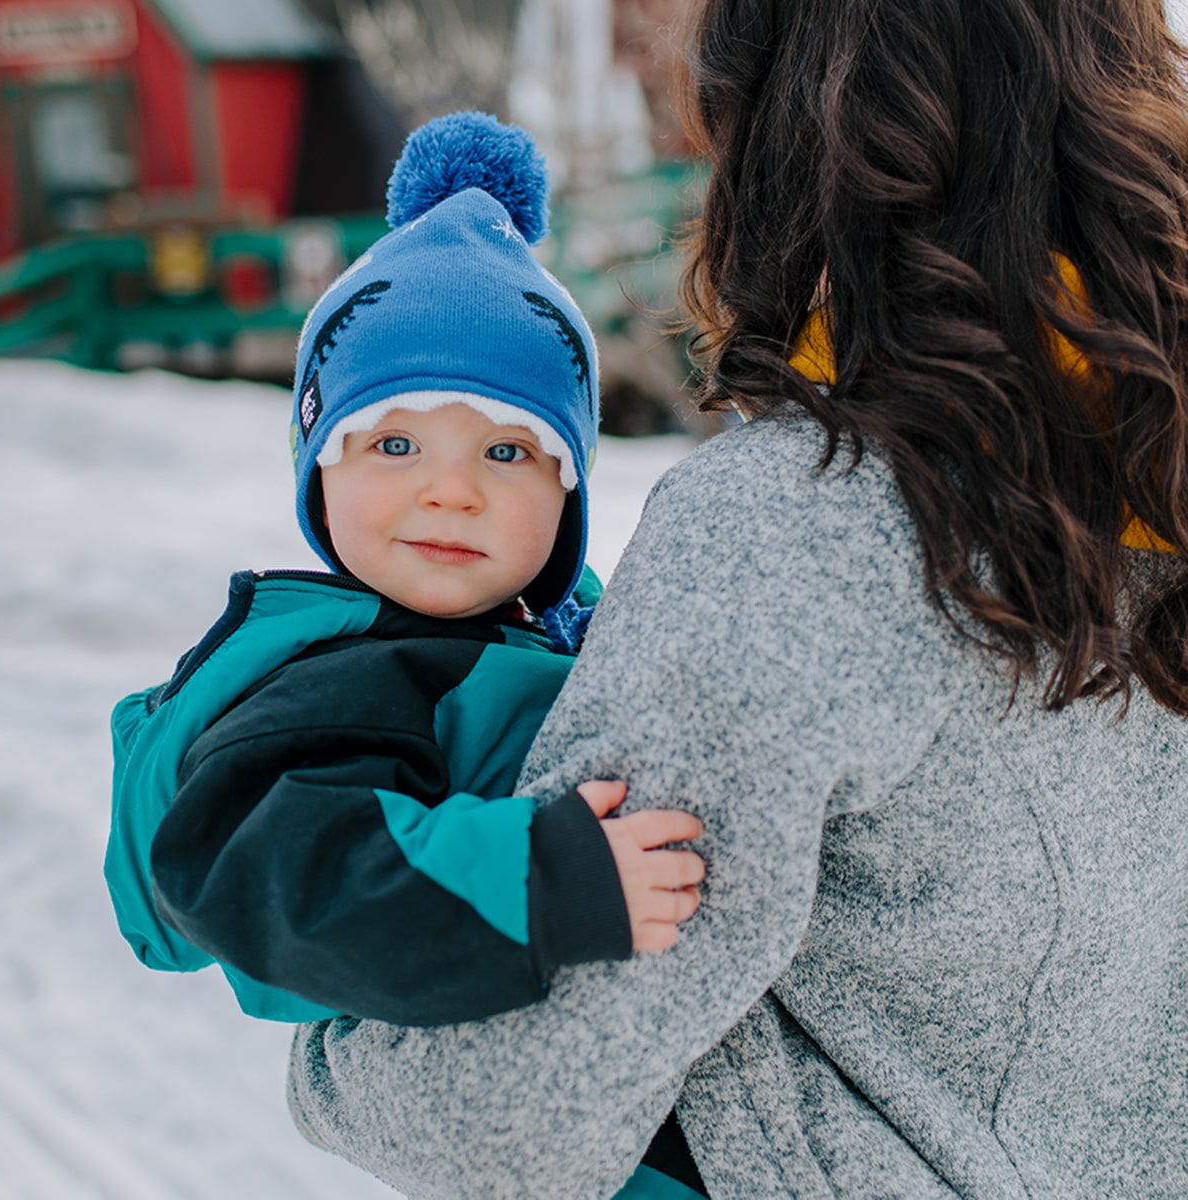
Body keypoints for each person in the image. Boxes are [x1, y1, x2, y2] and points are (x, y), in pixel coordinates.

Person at [283, 2, 1188, 1198]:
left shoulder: (805, 525)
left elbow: (507, 1111)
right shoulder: (1155, 469)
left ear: (790, 141)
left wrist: (330, 1059)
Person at [103, 111, 704, 1029]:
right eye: (393, 442)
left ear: (568, 493)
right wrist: (552, 882)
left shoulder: (563, 622)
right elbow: (285, 882)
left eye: (508, 453)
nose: (451, 492)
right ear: (320, 477)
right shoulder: (343, 679)